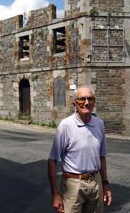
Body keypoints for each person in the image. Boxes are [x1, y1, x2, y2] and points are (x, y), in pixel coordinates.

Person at [48, 85, 112, 213]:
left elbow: (102, 156)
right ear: (74, 103)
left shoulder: (99, 124)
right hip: (73, 184)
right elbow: (52, 161)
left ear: (94, 102)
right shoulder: (66, 126)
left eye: (90, 99)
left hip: (95, 182)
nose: (86, 103)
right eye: (82, 99)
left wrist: (105, 184)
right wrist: (55, 194)